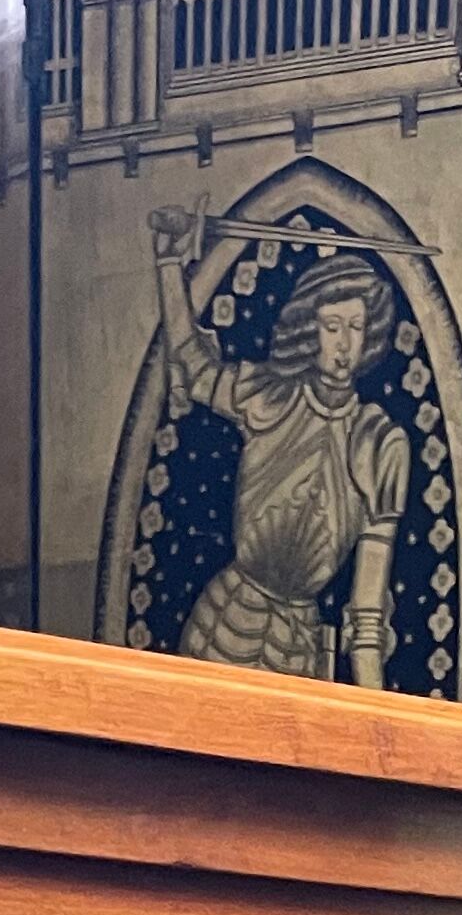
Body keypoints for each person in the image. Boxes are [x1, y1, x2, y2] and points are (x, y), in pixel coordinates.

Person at [149, 211, 413, 689]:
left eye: (356, 326)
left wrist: (380, 727)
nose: (344, 343)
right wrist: (170, 262)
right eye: (333, 325)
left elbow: (367, 614)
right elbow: (191, 361)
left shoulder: (381, 442)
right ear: (310, 329)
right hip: (222, 626)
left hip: (298, 648)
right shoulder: (269, 395)